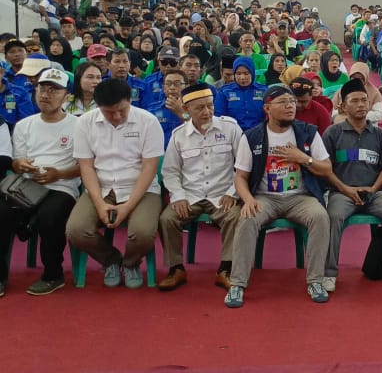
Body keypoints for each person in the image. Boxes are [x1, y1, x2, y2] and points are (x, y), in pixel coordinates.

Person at [226, 84, 335, 308]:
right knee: (246, 219)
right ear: (267, 108)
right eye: (283, 102)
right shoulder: (252, 137)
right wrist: (248, 199)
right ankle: (237, 283)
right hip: (265, 197)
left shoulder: (308, 132)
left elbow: (327, 169)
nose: (290, 106)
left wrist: (303, 158)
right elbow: (240, 177)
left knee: (320, 217)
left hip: (300, 197)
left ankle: (315, 280)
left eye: (292, 102)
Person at [65, 79, 164, 290]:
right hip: (101, 186)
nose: (117, 116)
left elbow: (149, 168)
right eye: (110, 112)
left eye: (122, 110)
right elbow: (87, 167)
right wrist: (100, 204)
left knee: (144, 233)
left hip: (141, 188)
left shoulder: (148, 121)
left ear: (130, 101)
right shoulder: (85, 123)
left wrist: (127, 206)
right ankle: (111, 259)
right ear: (98, 107)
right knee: (76, 230)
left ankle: (130, 263)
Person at [321, 79, 382, 293]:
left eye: (364, 100)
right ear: (343, 106)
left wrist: (374, 189)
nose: (361, 104)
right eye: (355, 101)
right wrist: (345, 189)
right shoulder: (333, 133)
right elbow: (326, 169)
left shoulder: (378, 135)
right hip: (342, 193)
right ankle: (329, 273)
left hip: (373, 193)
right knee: (333, 217)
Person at [157, 83, 243, 291]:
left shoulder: (230, 128)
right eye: (199, 108)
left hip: (222, 193)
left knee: (235, 217)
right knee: (167, 219)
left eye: (210, 106)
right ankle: (176, 269)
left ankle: (226, 269)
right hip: (191, 195)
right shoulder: (179, 135)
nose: (207, 112)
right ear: (186, 110)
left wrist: (233, 192)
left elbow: (243, 165)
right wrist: (177, 196)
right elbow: (170, 171)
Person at [1, 69, 77, 296]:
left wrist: (59, 174)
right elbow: (15, 162)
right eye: (42, 88)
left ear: (67, 97)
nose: (46, 94)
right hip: (25, 187)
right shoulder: (25, 125)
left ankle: (53, 274)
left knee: (49, 216)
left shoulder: (79, 125)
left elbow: (85, 166)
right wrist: (20, 165)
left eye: (54, 90)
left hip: (61, 186)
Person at [215, 56, 268, 131]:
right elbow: (218, 116)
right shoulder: (225, 91)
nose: (242, 77)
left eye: (246, 73)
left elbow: (270, 115)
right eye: (238, 74)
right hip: (233, 133)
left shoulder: (264, 90)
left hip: (259, 133)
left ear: (252, 73)